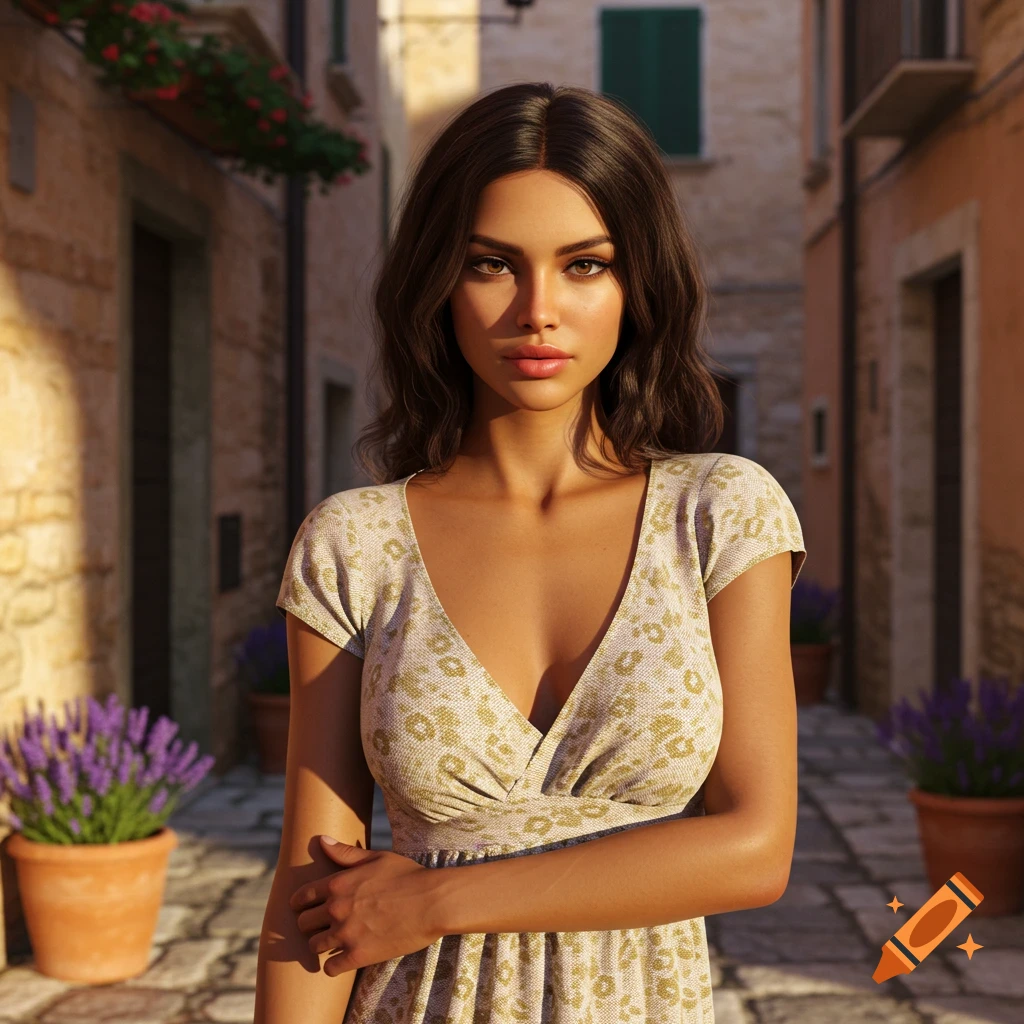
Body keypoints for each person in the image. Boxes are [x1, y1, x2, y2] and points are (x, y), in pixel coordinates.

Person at [255, 81, 807, 1024]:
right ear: (439, 277)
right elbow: (313, 891)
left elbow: (756, 850)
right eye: (491, 263)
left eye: (585, 265)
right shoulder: (355, 544)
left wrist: (432, 898)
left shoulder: (721, 514)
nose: (538, 310)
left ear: (637, 284)